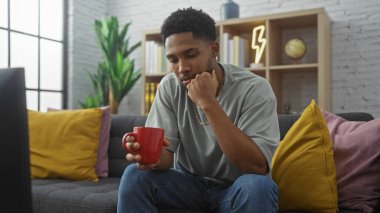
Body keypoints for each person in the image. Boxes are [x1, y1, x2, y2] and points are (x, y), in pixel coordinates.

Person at [118, 7, 280, 213]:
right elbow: (166, 155)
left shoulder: (255, 88)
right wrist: (150, 158)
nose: (181, 68)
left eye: (190, 54)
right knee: (135, 174)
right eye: (173, 60)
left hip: (236, 188)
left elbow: (255, 167)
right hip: (188, 187)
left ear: (213, 49)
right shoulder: (170, 86)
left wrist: (208, 103)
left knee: (258, 186)